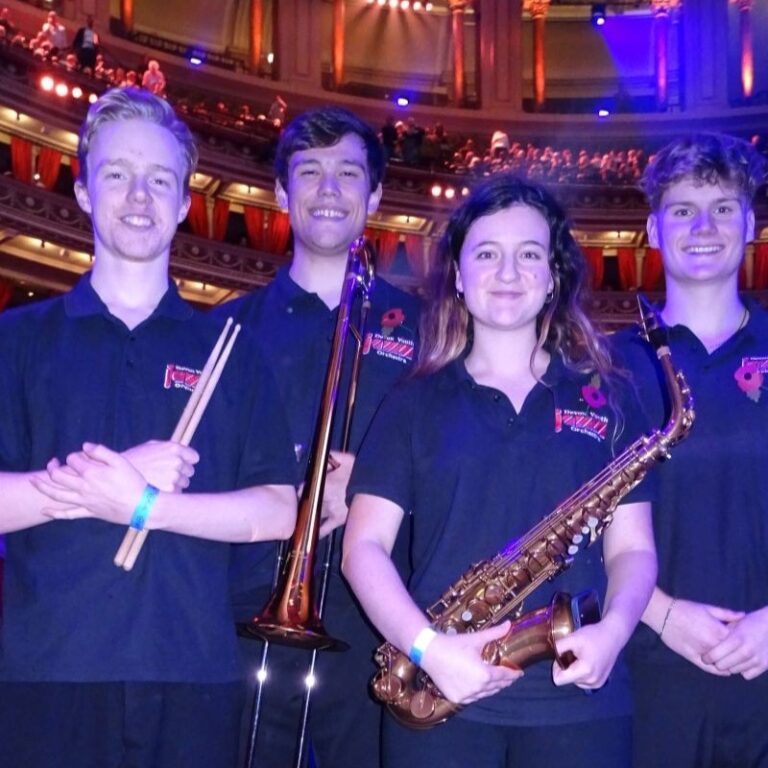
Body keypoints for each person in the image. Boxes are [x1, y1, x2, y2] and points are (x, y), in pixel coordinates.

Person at [0, 87, 298, 768]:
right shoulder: (16, 341)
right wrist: (97, 483)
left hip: (192, 672)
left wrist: (146, 507)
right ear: (82, 192)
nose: (139, 195)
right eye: (117, 175)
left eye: (159, 179)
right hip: (47, 675)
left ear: (186, 202)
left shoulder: (232, 349)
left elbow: (278, 511)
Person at [342, 174, 657, 768]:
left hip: (581, 706)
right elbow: (363, 549)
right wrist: (430, 650)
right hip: (441, 696)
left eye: (529, 255)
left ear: (553, 278)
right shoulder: (412, 402)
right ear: (458, 275)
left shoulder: (610, 396)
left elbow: (633, 550)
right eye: (486, 254)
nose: (508, 273)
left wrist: (614, 632)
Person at [218, 106, 420, 768]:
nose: (329, 190)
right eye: (309, 173)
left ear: (376, 195)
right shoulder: (226, 330)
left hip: (380, 626)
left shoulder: (431, 333)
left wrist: (371, 482)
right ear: (280, 192)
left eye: (347, 173)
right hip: (242, 618)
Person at [615, 133, 768, 768]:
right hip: (646, 675)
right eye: (682, 210)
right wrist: (661, 614)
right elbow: (574, 525)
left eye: (723, 208)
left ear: (751, 223)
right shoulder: (605, 367)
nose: (703, 226)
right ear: (653, 229)